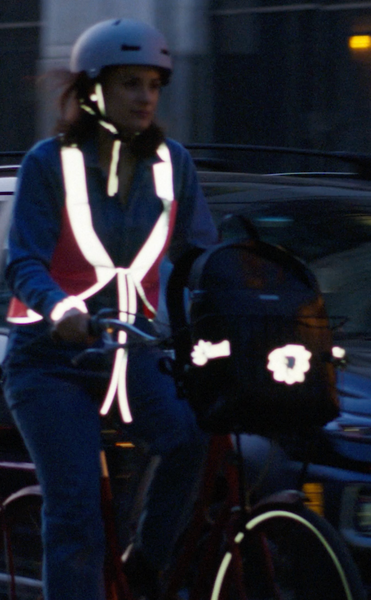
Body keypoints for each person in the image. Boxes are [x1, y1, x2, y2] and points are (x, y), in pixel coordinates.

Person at [2, 18, 218, 600]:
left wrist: (247, 300)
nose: (146, 96)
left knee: (190, 439)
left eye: (153, 84)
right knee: (76, 513)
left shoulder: (175, 166)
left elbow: (203, 259)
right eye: (130, 83)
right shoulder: (49, 164)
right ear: (94, 91)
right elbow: (22, 263)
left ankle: (146, 561)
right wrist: (59, 309)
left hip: (133, 351)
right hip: (50, 364)